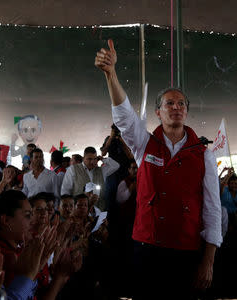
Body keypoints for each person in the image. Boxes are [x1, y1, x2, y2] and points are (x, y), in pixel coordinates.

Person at [95, 39, 222, 299]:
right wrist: (111, 75)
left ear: (186, 112)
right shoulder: (144, 144)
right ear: (158, 112)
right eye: (169, 104)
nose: (176, 107)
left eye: (181, 104)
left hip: (187, 250)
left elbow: (212, 209)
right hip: (147, 247)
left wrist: (208, 260)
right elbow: (124, 118)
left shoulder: (203, 155)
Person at [61, 147, 119, 211]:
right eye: (89, 159)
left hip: (99, 211)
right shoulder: (73, 169)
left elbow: (116, 166)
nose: (92, 162)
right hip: (79, 211)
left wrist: (103, 159)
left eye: (94, 159)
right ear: (83, 158)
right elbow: (65, 191)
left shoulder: (101, 170)